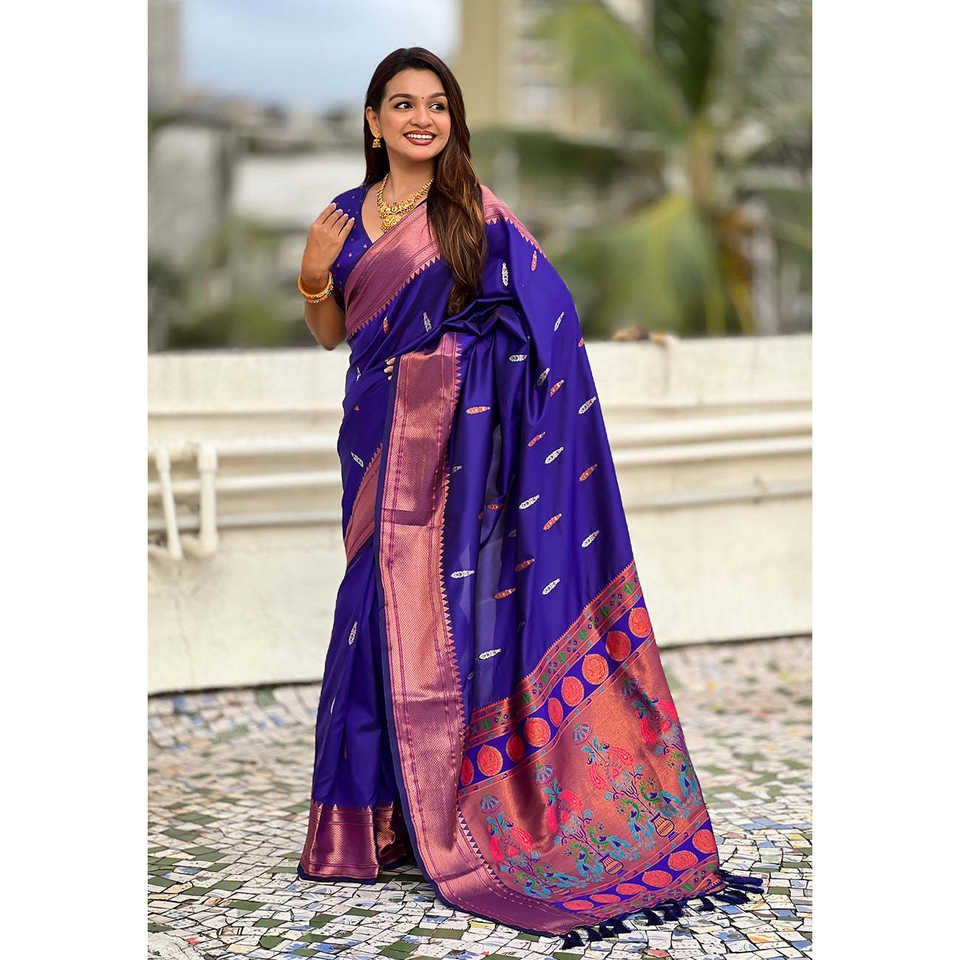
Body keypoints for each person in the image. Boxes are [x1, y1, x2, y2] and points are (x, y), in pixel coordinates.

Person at [295, 47, 760, 946]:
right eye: (403, 104)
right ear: (373, 121)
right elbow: (331, 332)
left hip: (453, 448)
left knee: (437, 617)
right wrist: (315, 274)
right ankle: (368, 823)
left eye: (437, 104)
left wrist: (452, 367)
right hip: (374, 435)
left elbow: (545, 324)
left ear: (453, 120)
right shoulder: (343, 217)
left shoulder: (476, 214)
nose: (421, 119)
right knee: (369, 612)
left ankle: (439, 813)